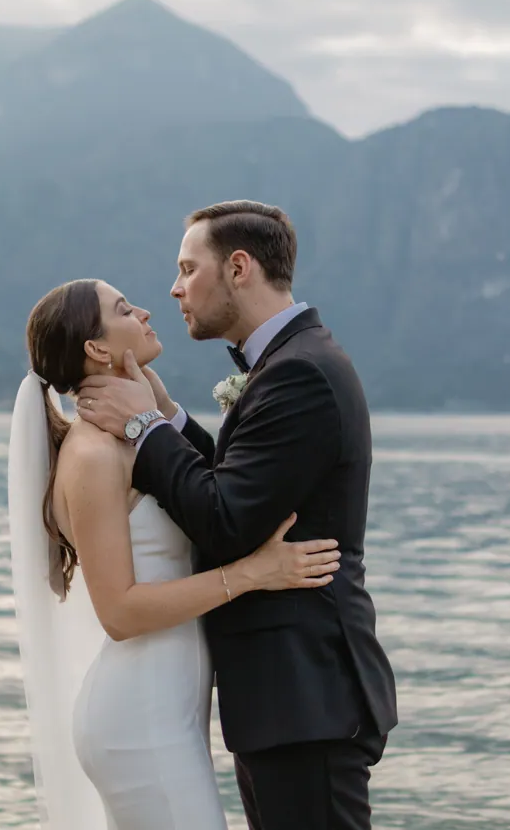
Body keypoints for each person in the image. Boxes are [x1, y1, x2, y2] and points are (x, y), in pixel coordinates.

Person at [76, 200, 398, 830]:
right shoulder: (291, 362)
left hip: (308, 697)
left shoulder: (299, 373)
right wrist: (167, 421)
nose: (174, 289)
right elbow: (239, 484)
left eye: (188, 269)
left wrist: (143, 428)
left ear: (240, 267)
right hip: (287, 699)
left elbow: (225, 521)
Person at [9, 277, 342, 830]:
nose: (144, 309)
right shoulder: (93, 453)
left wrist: (160, 410)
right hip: (138, 719)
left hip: (168, 707)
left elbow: (213, 497)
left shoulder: (132, 439)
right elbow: (118, 613)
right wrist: (251, 574)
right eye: (122, 309)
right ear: (96, 348)